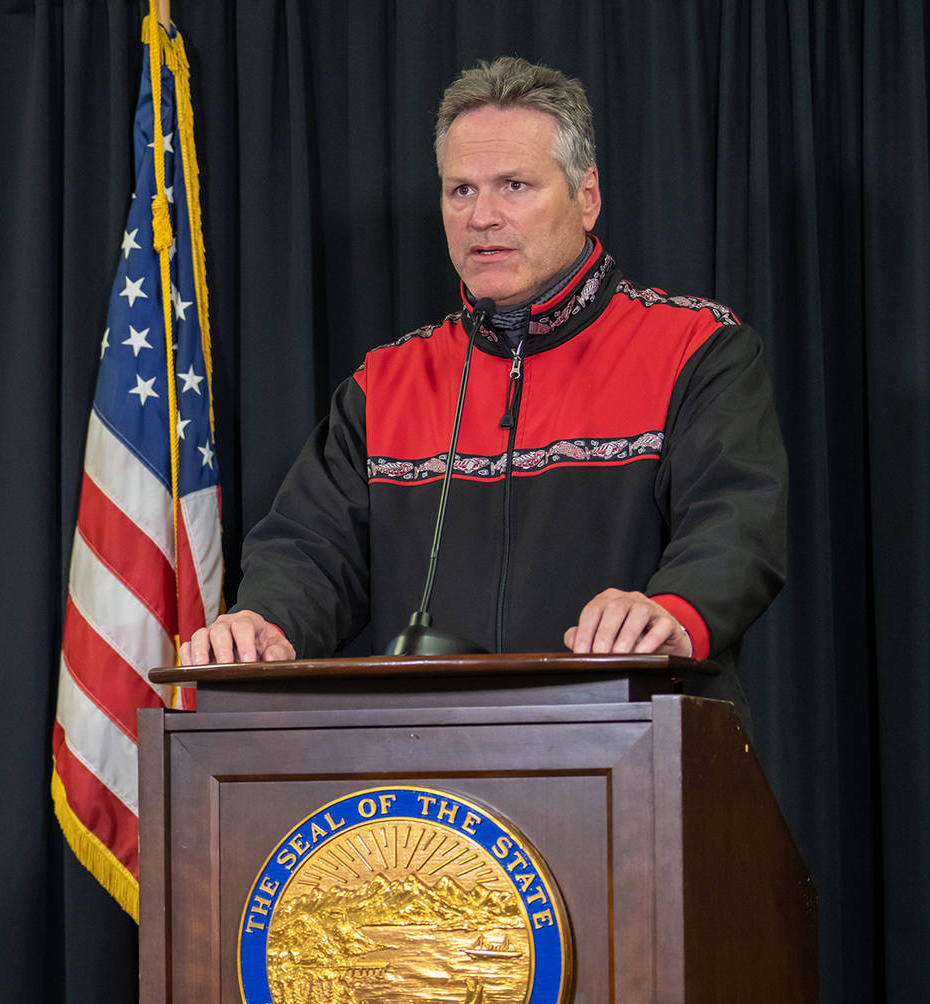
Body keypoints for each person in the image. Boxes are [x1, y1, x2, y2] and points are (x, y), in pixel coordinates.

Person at [185, 58, 786, 711]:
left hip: (632, 738)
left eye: (514, 186)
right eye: (461, 190)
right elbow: (310, 549)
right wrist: (267, 621)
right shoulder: (384, 383)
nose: (482, 216)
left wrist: (673, 610)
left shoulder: (695, 348)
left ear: (587, 196)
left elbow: (735, 525)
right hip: (431, 762)